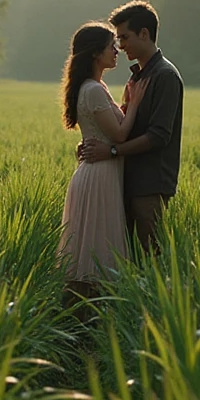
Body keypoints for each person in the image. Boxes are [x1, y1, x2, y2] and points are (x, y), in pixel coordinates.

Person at [81, 0, 184, 254]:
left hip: (150, 183)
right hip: (126, 179)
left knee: (149, 256)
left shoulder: (165, 76)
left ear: (144, 34)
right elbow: (125, 123)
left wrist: (112, 152)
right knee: (125, 257)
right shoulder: (138, 75)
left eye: (124, 37)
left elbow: (158, 136)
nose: (120, 45)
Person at [58, 22, 149, 304]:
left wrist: (123, 106)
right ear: (96, 53)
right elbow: (120, 134)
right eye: (111, 45)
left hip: (99, 172)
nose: (117, 50)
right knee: (96, 251)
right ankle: (85, 322)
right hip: (99, 175)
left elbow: (107, 128)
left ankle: (84, 320)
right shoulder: (93, 89)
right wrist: (134, 104)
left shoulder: (95, 87)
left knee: (92, 249)